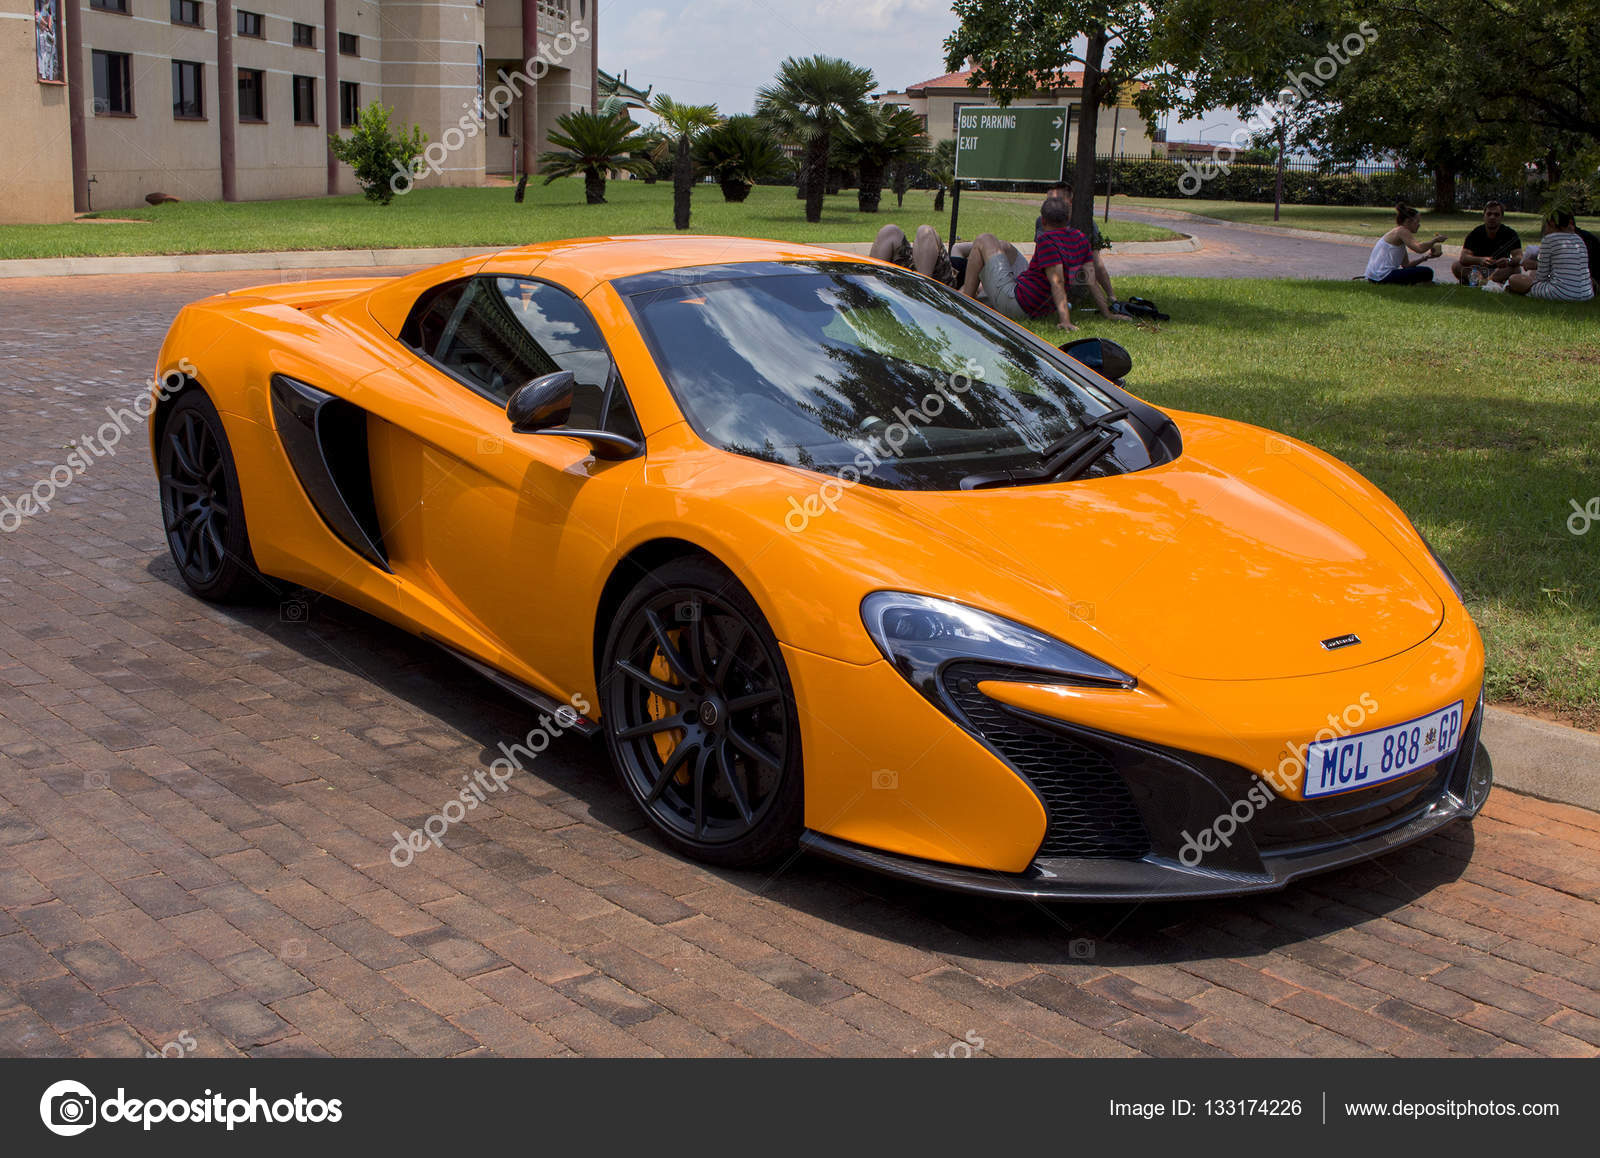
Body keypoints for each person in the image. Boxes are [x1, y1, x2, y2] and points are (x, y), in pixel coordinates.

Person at [963, 199, 1090, 330]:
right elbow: (1092, 279)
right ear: (1068, 218)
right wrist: (1104, 308)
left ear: (1043, 220)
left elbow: (1057, 282)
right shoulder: (1080, 238)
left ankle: (963, 304)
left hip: (1021, 305)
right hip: (1040, 303)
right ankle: (969, 293)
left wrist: (1065, 321)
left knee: (984, 239)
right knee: (1004, 246)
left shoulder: (1047, 241)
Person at [1036, 183, 1127, 321]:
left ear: (1070, 201)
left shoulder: (1085, 225)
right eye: (1048, 200)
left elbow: (1096, 265)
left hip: (1074, 276)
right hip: (1053, 277)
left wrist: (1111, 297)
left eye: (1056, 200)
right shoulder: (1042, 221)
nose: (1050, 204)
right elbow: (1042, 259)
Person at [1507, 211, 1594, 301]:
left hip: (1561, 293)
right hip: (1586, 293)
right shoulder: (1579, 239)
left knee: (1514, 279)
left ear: (1551, 223)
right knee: (1532, 276)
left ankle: (1516, 290)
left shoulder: (1549, 239)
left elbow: (1541, 277)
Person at [1365, 203, 1447, 285]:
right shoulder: (1402, 231)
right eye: (1417, 221)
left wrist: (1426, 257)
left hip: (1374, 277)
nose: (1419, 225)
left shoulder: (1398, 234)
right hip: (1382, 276)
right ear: (1408, 221)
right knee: (1427, 272)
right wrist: (1435, 240)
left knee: (1424, 272)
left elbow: (1406, 265)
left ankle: (1419, 283)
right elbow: (1419, 248)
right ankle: (1420, 283)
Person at [869, 223, 963, 288]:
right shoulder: (958, 251)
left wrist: (966, 288)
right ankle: (869, 288)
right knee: (889, 231)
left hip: (940, 284)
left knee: (925, 232)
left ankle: (923, 290)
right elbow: (958, 248)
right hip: (914, 272)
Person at [1452, 201, 1522, 284]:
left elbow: (1519, 257)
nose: (1492, 217)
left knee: (1516, 269)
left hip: (1499, 271)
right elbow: (1463, 257)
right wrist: (1480, 260)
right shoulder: (1475, 233)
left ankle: (1484, 282)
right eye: (1489, 214)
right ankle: (1482, 281)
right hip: (1478, 271)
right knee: (1456, 265)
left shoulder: (1510, 234)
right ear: (1484, 216)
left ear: (1501, 217)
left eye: (1496, 215)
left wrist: (1508, 261)